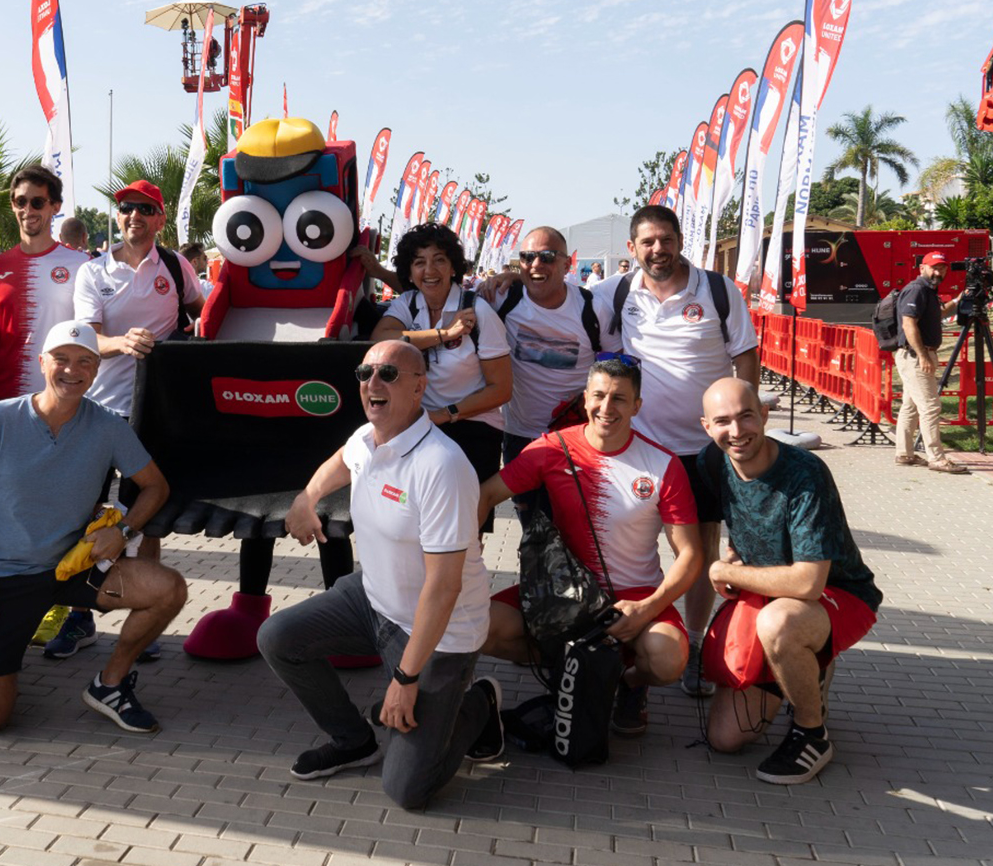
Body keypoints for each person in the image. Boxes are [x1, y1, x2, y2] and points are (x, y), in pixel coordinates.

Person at [262, 340, 501, 810]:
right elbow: (340, 460)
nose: (373, 383)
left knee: (408, 791)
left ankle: (478, 704)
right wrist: (306, 500)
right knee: (278, 637)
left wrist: (405, 677)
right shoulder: (368, 438)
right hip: (372, 600)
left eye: (388, 374)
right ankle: (354, 740)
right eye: (364, 373)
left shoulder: (441, 466)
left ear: (419, 388)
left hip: (440, 632)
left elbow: (444, 586)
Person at [0, 320, 186, 733]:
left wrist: (124, 531)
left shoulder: (109, 424)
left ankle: (109, 684)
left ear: (96, 371)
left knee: (169, 589)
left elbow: (155, 488)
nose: (71, 371)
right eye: (61, 359)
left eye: (84, 362)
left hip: (76, 567)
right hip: (6, 578)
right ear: (42, 363)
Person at [476, 359, 702, 735]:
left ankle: (628, 683)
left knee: (668, 659)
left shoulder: (663, 465)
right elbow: (485, 495)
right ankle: (572, 670)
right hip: (565, 595)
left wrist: (647, 608)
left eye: (620, 399)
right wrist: (462, 568)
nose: (607, 408)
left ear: (637, 406)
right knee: (478, 628)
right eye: (598, 395)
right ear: (585, 399)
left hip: (634, 596)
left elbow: (691, 554)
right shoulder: (551, 448)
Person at [591, 204, 758, 699]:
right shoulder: (615, 292)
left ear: (680, 240)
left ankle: (696, 644)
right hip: (639, 448)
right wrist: (505, 281)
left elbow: (745, 355)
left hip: (702, 451)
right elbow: (553, 293)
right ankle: (621, 637)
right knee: (628, 544)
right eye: (648, 242)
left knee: (701, 553)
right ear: (632, 249)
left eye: (666, 239)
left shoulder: (718, 291)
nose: (658, 250)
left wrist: (741, 426)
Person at [695, 378, 882, 784]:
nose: (737, 430)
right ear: (706, 426)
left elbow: (809, 583)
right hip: (768, 592)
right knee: (726, 738)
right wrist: (731, 556)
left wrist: (726, 572)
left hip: (838, 594)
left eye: (747, 416)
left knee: (780, 624)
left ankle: (812, 732)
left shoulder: (805, 473)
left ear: (764, 414)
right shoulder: (710, 463)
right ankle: (801, 670)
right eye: (723, 421)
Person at [60, 178, 204, 658]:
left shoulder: (175, 265)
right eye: (126, 208)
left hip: (156, 412)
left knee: (149, 518)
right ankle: (78, 616)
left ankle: (143, 623)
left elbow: (202, 313)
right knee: (86, 512)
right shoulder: (92, 271)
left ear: (160, 218)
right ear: (117, 217)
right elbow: (87, 339)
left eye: (145, 208)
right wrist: (122, 342)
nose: (134, 216)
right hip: (101, 409)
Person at [370, 223, 511, 531]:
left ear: (453, 268)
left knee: (464, 533)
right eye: (419, 261)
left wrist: (444, 415)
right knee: (414, 524)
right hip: (422, 426)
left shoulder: (478, 311)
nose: (429, 269)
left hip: (472, 425)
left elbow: (501, 390)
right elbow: (382, 340)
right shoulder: (408, 303)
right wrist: (442, 334)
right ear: (409, 270)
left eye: (439, 260)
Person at [484, 227, 600, 475]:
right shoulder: (503, 299)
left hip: (577, 435)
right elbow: (439, 296)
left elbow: (613, 364)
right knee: (530, 514)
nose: (536, 264)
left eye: (547, 256)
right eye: (527, 257)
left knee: (576, 514)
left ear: (567, 264)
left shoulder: (593, 307)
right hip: (520, 437)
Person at [0, 166, 89, 402]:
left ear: (55, 206)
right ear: (13, 205)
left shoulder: (81, 264)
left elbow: (91, 335)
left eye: (37, 202)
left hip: (62, 400)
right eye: (21, 201)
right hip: (6, 402)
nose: (27, 210)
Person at [893, 252, 968, 474]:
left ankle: (904, 454)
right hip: (916, 356)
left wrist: (957, 300)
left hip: (917, 355)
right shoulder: (917, 289)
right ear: (922, 268)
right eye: (934, 268)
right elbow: (908, 324)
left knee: (911, 406)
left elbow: (938, 314)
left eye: (943, 268)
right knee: (931, 407)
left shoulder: (928, 291)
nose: (939, 272)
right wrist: (923, 356)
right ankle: (936, 458)